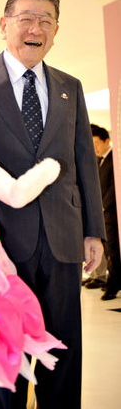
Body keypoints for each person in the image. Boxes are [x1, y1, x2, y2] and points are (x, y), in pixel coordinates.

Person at [0, 0, 105, 409]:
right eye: (26, 18)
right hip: (0, 238)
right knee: (9, 346)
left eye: (46, 21)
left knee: (64, 344)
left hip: (64, 237)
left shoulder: (71, 86)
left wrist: (94, 232)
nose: (36, 28)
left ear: (56, 31)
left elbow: (83, 160)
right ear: (4, 25)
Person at [90, 123, 121, 300]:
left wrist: (103, 206)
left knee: (113, 249)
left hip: (111, 213)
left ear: (107, 141)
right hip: (104, 214)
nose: (95, 147)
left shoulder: (114, 161)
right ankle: (113, 280)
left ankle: (114, 283)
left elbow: (113, 189)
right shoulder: (100, 161)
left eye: (97, 142)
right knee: (109, 249)